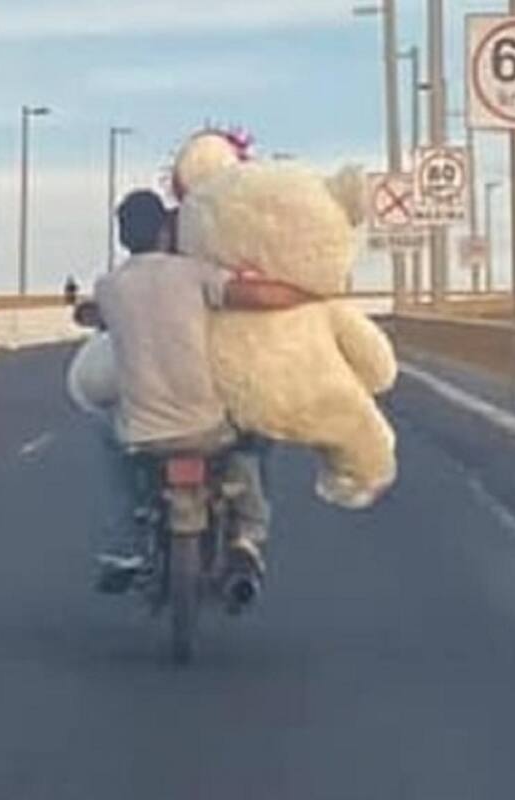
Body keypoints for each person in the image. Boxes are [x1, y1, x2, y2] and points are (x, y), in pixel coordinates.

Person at [93, 189, 313, 604]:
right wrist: (313, 295)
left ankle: (126, 537)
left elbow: (100, 321)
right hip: (207, 428)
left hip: (142, 435)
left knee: (104, 429)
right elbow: (260, 297)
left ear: (123, 237)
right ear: (165, 231)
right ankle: (248, 535)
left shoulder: (108, 287)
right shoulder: (194, 274)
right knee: (258, 431)